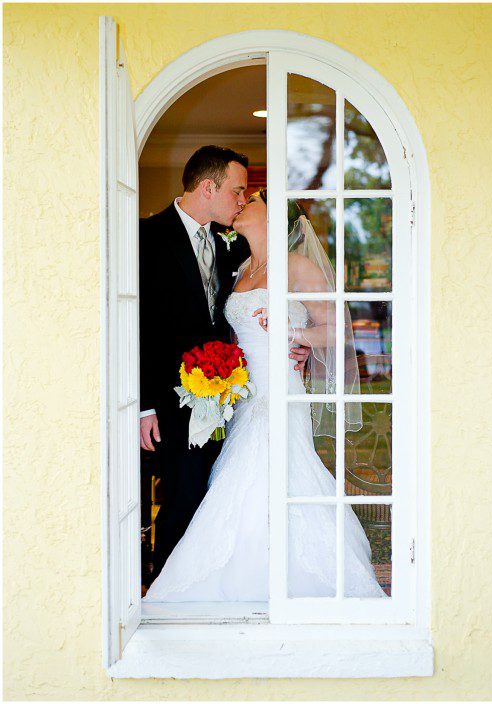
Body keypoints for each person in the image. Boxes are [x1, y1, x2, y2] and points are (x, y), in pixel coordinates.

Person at [144, 189, 384, 601]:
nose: (241, 204)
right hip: (238, 395)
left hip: (278, 391)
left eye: (250, 200)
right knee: (235, 479)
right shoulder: (237, 270)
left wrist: (296, 335)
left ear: (274, 217)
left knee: (269, 474)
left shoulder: (297, 267)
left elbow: (335, 329)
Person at [138, 146, 309, 583]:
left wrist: (298, 336)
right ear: (208, 187)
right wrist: (143, 405)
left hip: (232, 396)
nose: (241, 199)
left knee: (216, 493)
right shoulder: (145, 237)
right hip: (168, 400)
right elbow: (134, 326)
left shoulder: (231, 247)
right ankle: (165, 584)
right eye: (237, 190)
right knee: (178, 493)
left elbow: (265, 303)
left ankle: (208, 578)